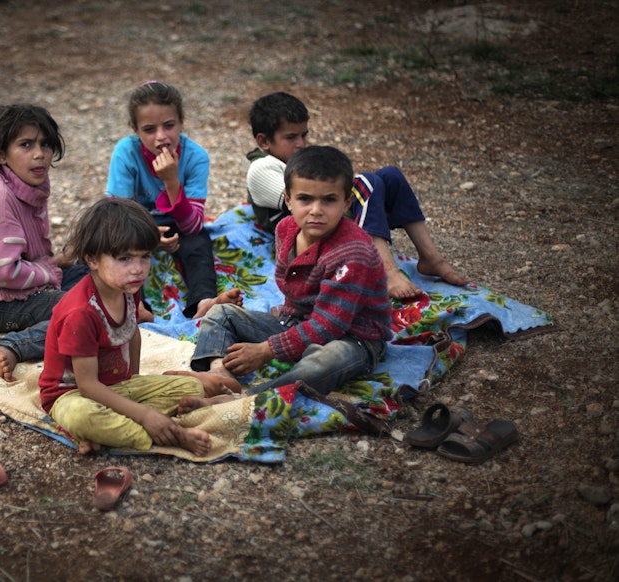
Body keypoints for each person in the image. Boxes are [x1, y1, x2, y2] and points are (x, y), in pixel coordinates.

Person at [169, 145, 393, 411]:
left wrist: (267, 350)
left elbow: (327, 327)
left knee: (326, 361)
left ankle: (248, 398)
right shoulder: (286, 229)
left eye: (329, 200)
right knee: (221, 313)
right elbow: (293, 288)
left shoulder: (352, 252)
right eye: (305, 199)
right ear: (288, 199)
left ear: (346, 203)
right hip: (298, 322)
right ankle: (221, 376)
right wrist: (287, 321)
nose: (316, 210)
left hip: (353, 338)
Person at [245, 91, 468, 301]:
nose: (301, 144)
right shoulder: (261, 168)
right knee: (366, 183)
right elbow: (305, 201)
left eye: (304, 135)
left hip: (328, 218)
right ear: (264, 142)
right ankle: (386, 270)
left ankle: (431, 258)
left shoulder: (293, 163)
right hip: (309, 228)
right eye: (291, 137)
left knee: (390, 175)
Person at [38, 198, 213, 457]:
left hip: (114, 386)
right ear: (92, 260)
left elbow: (132, 332)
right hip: (72, 394)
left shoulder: (127, 289)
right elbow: (87, 385)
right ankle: (170, 434)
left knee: (192, 388)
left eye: (145, 257)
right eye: (124, 259)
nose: (138, 269)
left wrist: (134, 383)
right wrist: (143, 414)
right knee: (83, 417)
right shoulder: (81, 313)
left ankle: (105, 435)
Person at [0, 104, 88, 381]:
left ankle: (121, 309)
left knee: (94, 271)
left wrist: (56, 262)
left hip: (21, 285)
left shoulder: (31, 187)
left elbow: (27, 252)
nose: (39, 154)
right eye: (26, 144)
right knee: (77, 313)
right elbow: (2, 273)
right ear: (1, 154)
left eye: (45, 144)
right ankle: (10, 346)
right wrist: (49, 270)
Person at [106, 81, 242, 318]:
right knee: (113, 248)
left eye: (169, 126)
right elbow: (116, 214)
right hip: (133, 223)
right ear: (134, 130)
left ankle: (203, 300)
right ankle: (135, 306)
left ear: (182, 121)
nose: (161, 137)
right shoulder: (126, 152)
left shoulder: (196, 156)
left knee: (199, 243)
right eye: (149, 129)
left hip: (180, 222)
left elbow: (193, 224)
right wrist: (148, 235)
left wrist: (171, 181)